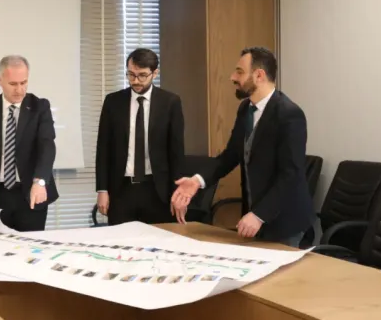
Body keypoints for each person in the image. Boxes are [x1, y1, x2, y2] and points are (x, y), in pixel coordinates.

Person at [172, 47, 313, 247]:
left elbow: (290, 174)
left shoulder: (289, 114)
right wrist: (197, 180)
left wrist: (259, 215)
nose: (233, 77)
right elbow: (230, 156)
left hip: (284, 222)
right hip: (254, 219)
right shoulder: (246, 109)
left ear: (259, 75)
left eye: (239, 72)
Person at [95, 48, 186, 225]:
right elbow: (103, 148)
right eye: (131, 75)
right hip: (121, 189)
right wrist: (102, 190)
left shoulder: (170, 102)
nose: (135, 81)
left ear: (155, 73)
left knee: (158, 239)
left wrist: (178, 192)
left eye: (142, 75)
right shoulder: (113, 102)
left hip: (157, 190)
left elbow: (176, 152)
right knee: (120, 239)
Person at [0, 55, 58, 231]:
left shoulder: (40, 107)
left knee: (30, 246)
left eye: (24, 82)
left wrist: (40, 182)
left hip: (31, 193)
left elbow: (47, 146)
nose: (19, 89)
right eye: (13, 84)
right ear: (0, 81)